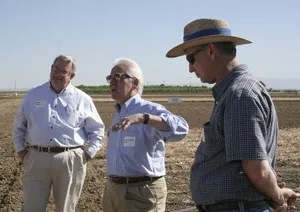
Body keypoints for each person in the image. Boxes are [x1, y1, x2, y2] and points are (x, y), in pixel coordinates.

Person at [166, 18, 300, 212]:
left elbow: (257, 169)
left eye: (191, 58)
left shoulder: (240, 95)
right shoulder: (233, 93)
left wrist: (278, 198)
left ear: (211, 51)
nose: (190, 68)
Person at [12, 55, 105, 212]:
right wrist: (21, 151)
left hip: (70, 159)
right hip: (36, 158)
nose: (57, 73)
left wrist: (88, 154)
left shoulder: (82, 99)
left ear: (72, 76)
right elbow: (18, 126)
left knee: (66, 209)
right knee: (31, 207)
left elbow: (97, 129)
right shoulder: (33, 95)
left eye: (63, 71)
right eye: (55, 68)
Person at [102, 58, 189, 212]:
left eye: (118, 77)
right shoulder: (119, 114)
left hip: (141, 192)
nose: (112, 82)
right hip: (113, 191)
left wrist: (145, 118)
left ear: (135, 83)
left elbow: (181, 128)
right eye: (110, 78)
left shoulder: (149, 109)